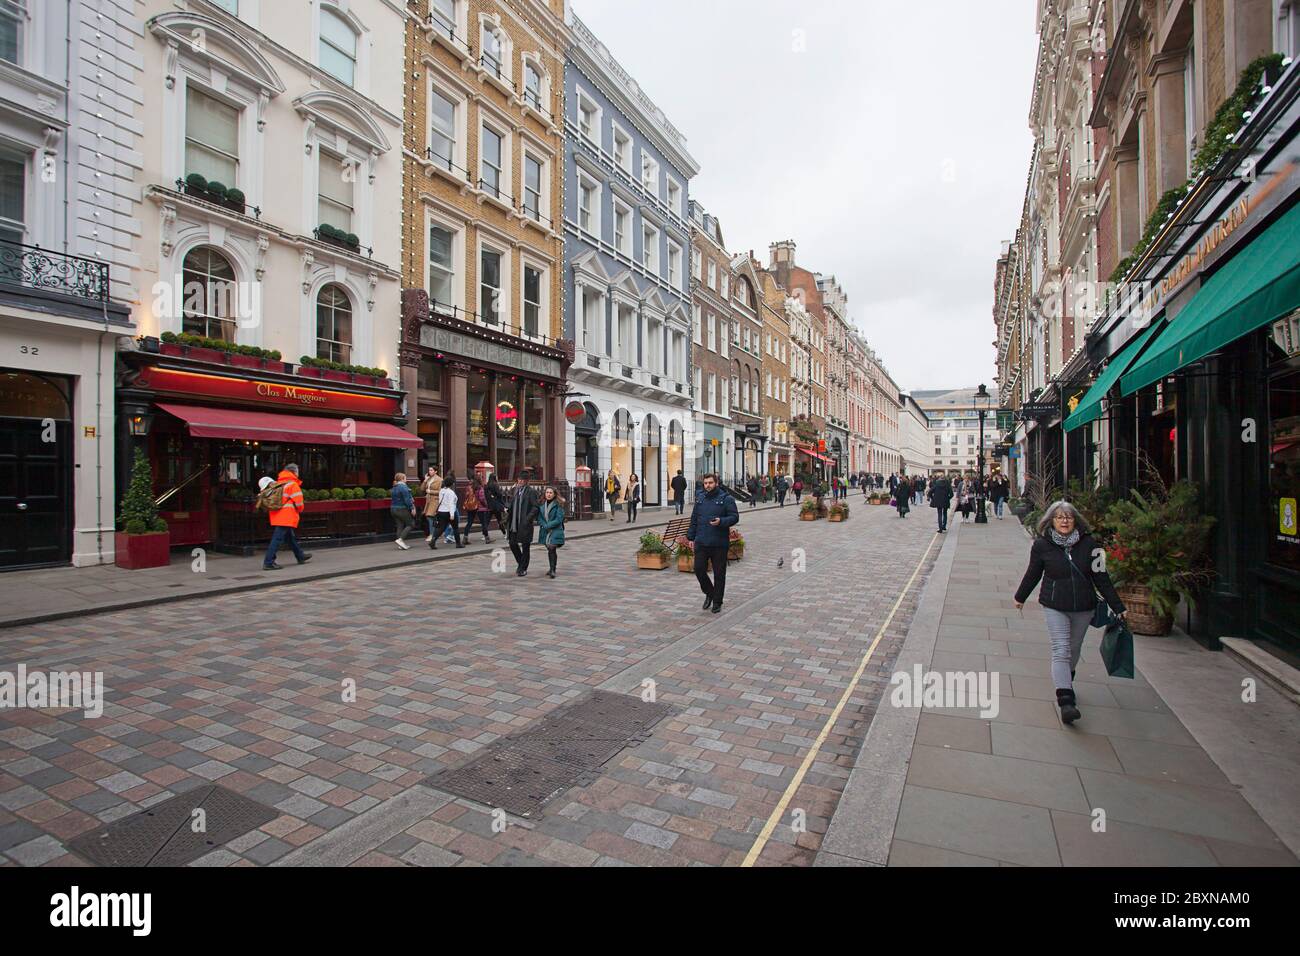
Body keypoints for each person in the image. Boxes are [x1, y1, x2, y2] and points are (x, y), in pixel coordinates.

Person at [1014, 501, 1127, 725]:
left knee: (1073, 649)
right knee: (1061, 649)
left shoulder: (1092, 545)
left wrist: (1118, 606)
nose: (1064, 521)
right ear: (1051, 521)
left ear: (1076, 521)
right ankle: (1066, 700)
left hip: (1084, 607)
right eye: (1059, 517)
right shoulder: (1042, 545)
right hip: (1054, 604)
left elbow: (1102, 578)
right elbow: (1033, 573)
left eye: (1068, 517)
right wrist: (1020, 596)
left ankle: (1067, 676)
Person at [688, 472, 739, 615]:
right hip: (702, 541)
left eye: (710, 483)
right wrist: (691, 538)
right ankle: (710, 593)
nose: (707, 485)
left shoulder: (726, 499)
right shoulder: (700, 498)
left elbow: (735, 517)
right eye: (705, 483)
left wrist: (721, 522)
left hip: (719, 543)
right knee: (698, 569)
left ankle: (717, 601)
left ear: (716, 483)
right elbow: (694, 519)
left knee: (719, 574)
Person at [262, 463, 312, 570]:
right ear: (294, 472)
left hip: (276, 515)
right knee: (277, 539)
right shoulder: (293, 485)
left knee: (290, 538)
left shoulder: (279, 483)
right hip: (286, 516)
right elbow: (299, 503)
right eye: (297, 471)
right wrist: (299, 510)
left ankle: (300, 556)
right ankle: (269, 562)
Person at [505, 473, 539, 575]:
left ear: (527, 481)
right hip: (514, 523)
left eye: (522, 480)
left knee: (525, 545)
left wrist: (528, 519)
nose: (520, 481)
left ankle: (523, 568)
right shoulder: (515, 491)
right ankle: (521, 564)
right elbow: (512, 504)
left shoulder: (531, 492)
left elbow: (535, 507)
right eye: (519, 479)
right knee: (512, 544)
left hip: (524, 523)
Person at [536, 486, 566, 579]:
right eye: (547, 492)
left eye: (550, 493)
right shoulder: (541, 504)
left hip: (555, 530)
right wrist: (543, 524)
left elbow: (559, 519)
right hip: (545, 530)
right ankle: (551, 568)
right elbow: (539, 518)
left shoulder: (558, 504)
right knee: (550, 549)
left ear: (554, 494)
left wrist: (548, 525)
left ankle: (553, 570)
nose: (548, 494)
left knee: (552, 547)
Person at [427, 478, 464, 549]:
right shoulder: (451, 492)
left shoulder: (442, 491)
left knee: (441, 528)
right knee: (455, 528)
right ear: (452, 484)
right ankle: (458, 543)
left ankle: (433, 541)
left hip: (441, 511)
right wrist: (452, 514)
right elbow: (451, 504)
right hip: (449, 512)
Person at [391, 473, 416, 550]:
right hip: (401, 509)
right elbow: (407, 500)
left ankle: (400, 544)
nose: (406, 479)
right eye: (405, 478)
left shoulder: (394, 487)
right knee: (411, 524)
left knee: (400, 525)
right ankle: (400, 540)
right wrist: (412, 508)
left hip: (393, 509)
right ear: (402, 479)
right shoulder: (403, 487)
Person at [461, 476, 489, 542]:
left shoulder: (469, 487)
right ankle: (487, 538)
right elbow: (482, 498)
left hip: (471, 506)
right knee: (483, 522)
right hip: (479, 507)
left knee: (469, 522)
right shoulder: (480, 488)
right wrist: (486, 505)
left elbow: (466, 496)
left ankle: (465, 537)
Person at [421, 467, 442, 542]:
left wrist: (431, 491)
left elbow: (440, 491)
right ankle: (436, 533)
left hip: (435, 500)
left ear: (435, 471)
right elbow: (422, 489)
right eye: (429, 470)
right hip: (428, 501)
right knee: (431, 518)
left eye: (431, 470)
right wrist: (425, 480)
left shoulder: (439, 480)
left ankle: (432, 534)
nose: (430, 471)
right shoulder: (428, 479)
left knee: (429, 516)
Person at [484, 474, 506, 542]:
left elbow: (486, 496)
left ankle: (485, 535)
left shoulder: (486, 486)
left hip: (490, 506)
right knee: (499, 520)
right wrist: (502, 503)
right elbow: (499, 494)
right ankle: (504, 533)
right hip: (496, 506)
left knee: (486, 521)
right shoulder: (495, 484)